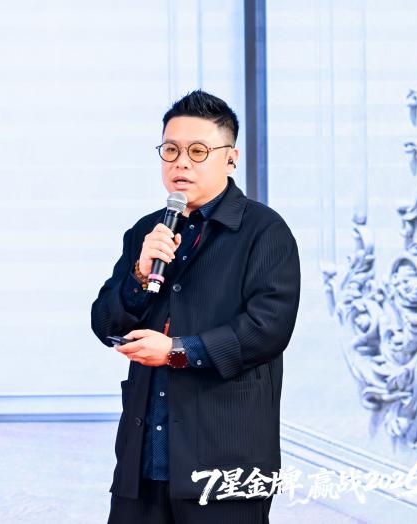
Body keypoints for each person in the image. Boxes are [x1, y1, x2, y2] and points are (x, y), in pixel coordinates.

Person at [91, 89, 301, 524]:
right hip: (144, 459)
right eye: (170, 150)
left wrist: (175, 351)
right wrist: (138, 273)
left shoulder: (264, 231)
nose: (180, 163)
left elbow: (267, 330)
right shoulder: (147, 231)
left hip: (225, 459)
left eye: (198, 151)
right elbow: (104, 322)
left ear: (230, 159)